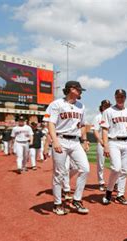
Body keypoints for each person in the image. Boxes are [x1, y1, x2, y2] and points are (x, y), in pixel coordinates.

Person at [46, 80, 90, 216]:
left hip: (75, 141)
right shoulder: (56, 104)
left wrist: (84, 140)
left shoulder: (81, 106)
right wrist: (55, 141)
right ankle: (57, 203)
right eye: (79, 89)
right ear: (71, 89)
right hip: (61, 139)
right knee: (59, 173)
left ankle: (77, 199)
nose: (81, 91)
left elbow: (82, 125)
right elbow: (51, 124)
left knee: (85, 168)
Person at [101, 90, 127, 205]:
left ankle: (120, 195)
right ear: (115, 97)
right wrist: (106, 146)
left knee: (124, 170)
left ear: (125, 97)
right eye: (118, 97)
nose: (120, 99)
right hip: (113, 142)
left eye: (122, 97)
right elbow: (105, 130)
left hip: (126, 143)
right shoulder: (108, 111)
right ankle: (109, 192)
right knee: (116, 168)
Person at [92, 99, 111, 191]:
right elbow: (95, 130)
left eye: (108, 106)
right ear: (102, 107)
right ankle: (101, 182)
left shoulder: (112, 116)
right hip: (102, 143)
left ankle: (115, 183)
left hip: (112, 142)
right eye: (105, 106)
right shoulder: (98, 117)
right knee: (101, 164)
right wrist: (100, 141)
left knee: (115, 164)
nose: (107, 107)